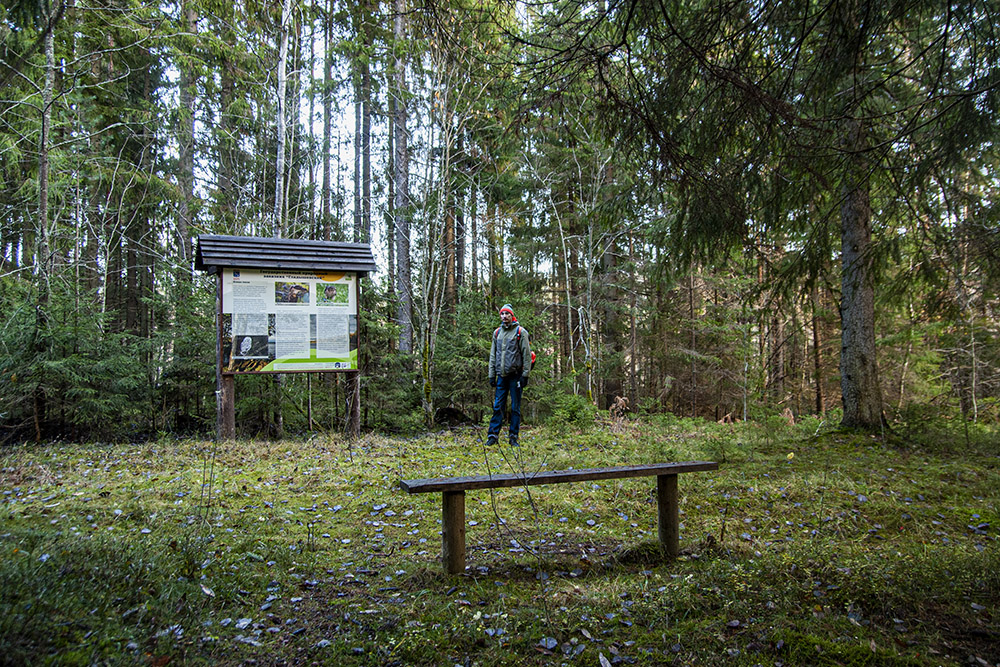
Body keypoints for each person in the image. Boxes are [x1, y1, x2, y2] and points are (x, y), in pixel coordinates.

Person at [487, 304, 532, 447]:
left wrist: (525, 375)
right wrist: (491, 374)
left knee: (515, 408)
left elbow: (526, 354)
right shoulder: (497, 333)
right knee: (497, 406)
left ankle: (513, 437)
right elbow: (493, 355)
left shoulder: (520, 332)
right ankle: (493, 436)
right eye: (502, 314)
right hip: (501, 376)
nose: (504, 316)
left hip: (515, 376)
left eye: (507, 314)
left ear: (512, 315)